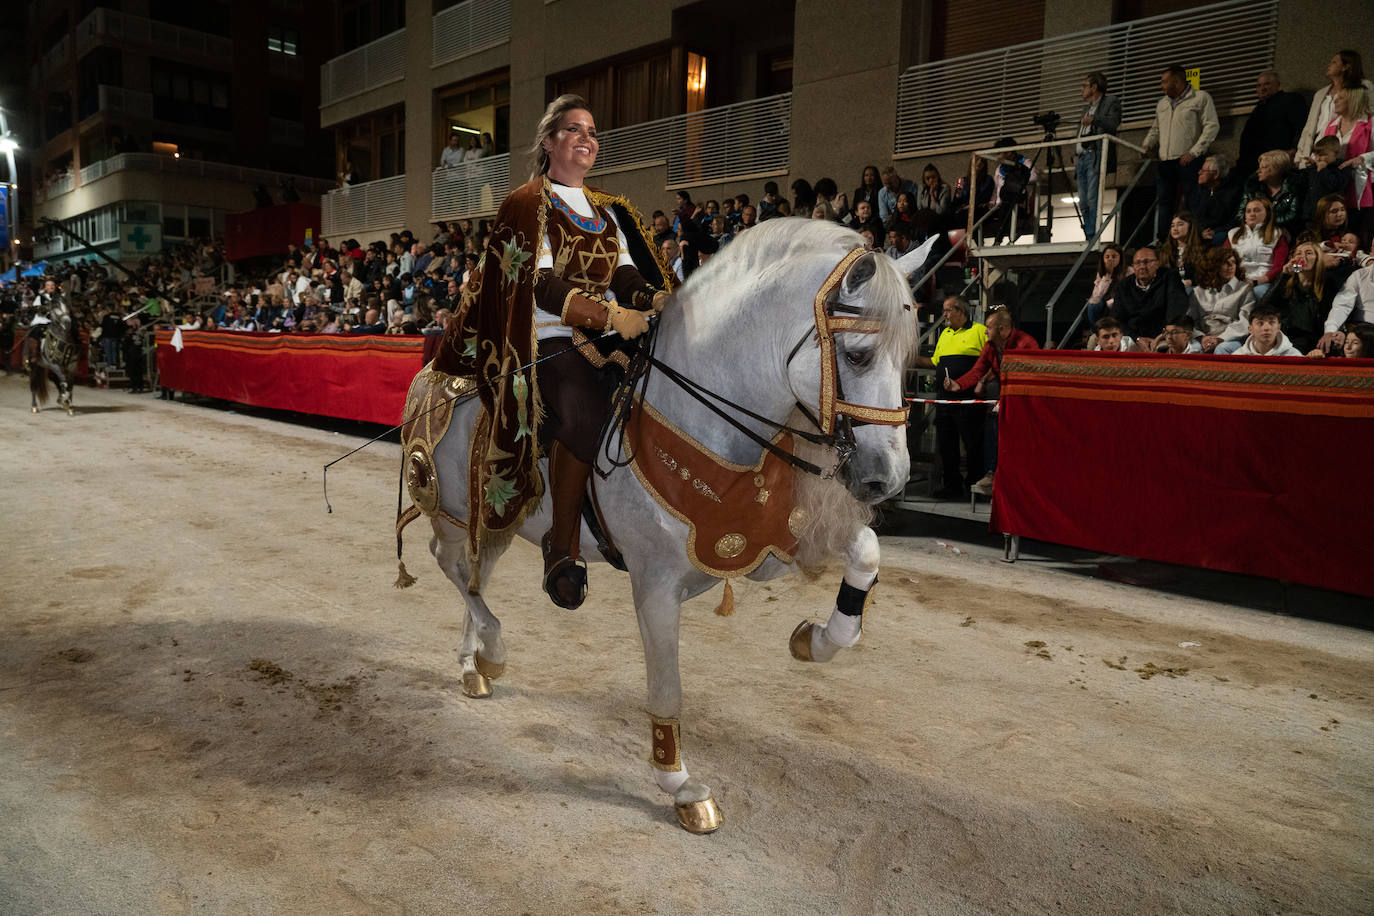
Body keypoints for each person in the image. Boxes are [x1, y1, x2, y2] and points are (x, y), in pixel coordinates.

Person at [432, 94, 672, 610]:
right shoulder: (527, 202)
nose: (587, 137)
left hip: (602, 339)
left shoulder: (606, 212)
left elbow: (623, 274)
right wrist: (610, 316)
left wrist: (652, 298)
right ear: (549, 142)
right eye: (574, 129)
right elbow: (539, 284)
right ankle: (561, 547)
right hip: (542, 338)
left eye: (591, 130)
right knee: (584, 412)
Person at [941, 306, 1038, 496]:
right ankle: (992, 473)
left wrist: (1008, 399)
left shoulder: (1026, 343)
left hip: (1024, 400)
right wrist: (957, 385)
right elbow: (978, 370)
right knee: (992, 426)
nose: (985, 331)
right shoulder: (990, 346)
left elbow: (1031, 376)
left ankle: (1010, 476)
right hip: (1003, 397)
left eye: (988, 327)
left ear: (1001, 329)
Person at [913, 296, 987, 499]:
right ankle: (952, 486)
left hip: (969, 400)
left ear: (961, 310)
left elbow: (988, 361)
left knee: (973, 444)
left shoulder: (979, 331)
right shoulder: (944, 333)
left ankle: (975, 487)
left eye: (947, 310)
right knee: (947, 446)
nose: (944, 314)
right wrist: (912, 357)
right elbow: (936, 362)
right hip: (944, 400)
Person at [1142, 65, 1220, 242]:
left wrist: (1194, 152)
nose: (1161, 86)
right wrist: (1146, 145)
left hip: (1189, 160)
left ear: (1176, 82)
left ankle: (1195, 237)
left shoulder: (1200, 98)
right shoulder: (1162, 103)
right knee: (1164, 203)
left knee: (1194, 200)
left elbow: (1211, 126)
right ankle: (1164, 240)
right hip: (1165, 161)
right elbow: (1156, 128)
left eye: (1164, 82)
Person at [1297, 50, 1374, 168]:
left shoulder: (1363, 87)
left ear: (1346, 66)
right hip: (1320, 145)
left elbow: (1367, 114)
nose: (1329, 65)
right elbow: (1310, 125)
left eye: (1334, 62)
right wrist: (1300, 153)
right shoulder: (1321, 93)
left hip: (1347, 141)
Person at [1323, 87, 1374, 244]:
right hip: (1337, 185)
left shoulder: (1369, 123)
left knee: (1360, 231)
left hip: (1360, 184)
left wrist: (1361, 158)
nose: (1335, 101)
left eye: (1341, 98)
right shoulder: (1332, 124)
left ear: (1353, 100)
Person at [1074, 71, 1122, 239]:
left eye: (1084, 86)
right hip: (1081, 157)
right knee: (1083, 202)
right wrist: (1075, 152)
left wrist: (1094, 119)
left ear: (1094, 87)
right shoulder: (1085, 108)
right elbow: (1080, 132)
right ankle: (1089, 235)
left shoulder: (1111, 101)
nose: (1082, 89)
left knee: (1092, 199)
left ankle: (1093, 236)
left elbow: (1113, 123)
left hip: (1095, 155)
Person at [1112, 245, 1187, 348]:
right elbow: (1117, 319)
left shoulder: (1170, 277)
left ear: (1157, 264)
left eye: (1147, 262)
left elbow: (1176, 311)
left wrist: (1163, 335)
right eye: (1138, 263)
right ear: (1133, 266)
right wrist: (1137, 338)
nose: (1142, 266)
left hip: (1163, 335)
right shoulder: (1124, 285)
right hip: (1133, 337)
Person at [1237, 71, 1307, 178]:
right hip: (1254, 167)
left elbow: (1302, 127)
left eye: (1267, 84)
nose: (1262, 88)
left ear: (1277, 85)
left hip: (1280, 164)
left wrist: (1294, 149)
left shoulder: (1290, 100)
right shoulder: (1258, 109)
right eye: (1259, 85)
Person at [1191, 247, 1258, 353]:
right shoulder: (1198, 291)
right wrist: (1202, 338)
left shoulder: (1244, 289)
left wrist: (1219, 339)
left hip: (1231, 338)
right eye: (1225, 263)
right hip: (1203, 337)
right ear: (1214, 265)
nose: (1231, 266)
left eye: (1233, 262)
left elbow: (1245, 322)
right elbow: (1190, 321)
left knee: (1222, 349)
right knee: (1193, 349)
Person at [1227, 197, 1289, 298]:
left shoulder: (1277, 234)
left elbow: (1279, 266)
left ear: (1267, 214)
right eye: (1248, 211)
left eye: (1257, 210)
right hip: (1235, 280)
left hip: (1262, 283)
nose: (1252, 214)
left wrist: (1256, 282)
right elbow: (1222, 260)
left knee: (1256, 294)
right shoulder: (1233, 234)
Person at [1235, 150, 1305, 237]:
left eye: (1263, 167)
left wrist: (1265, 221)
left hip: (1284, 231)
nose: (1258, 171)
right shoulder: (1253, 188)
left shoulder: (1294, 187)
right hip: (1254, 230)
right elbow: (1241, 214)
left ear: (1278, 168)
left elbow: (1293, 215)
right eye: (1259, 167)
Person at [1185, 154, 1241, 245]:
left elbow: (1234, 221)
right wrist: (1198, 231)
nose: (1199, 172)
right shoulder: (1196, 190)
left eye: (1203, 170)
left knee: (1219, 238)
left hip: (1217, 232)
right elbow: (1188, 214)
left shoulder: (1233, 192)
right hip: (1195, 230)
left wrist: (1214, 231)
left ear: (1216, 174)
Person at [1159, 211, 1208, 291]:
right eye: (1172, 226)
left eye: (1180, 224)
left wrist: (1191, 282)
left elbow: (1206, 275)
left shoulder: (1203, 249)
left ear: (1191, 227)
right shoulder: (1166, 250)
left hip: (1195, 289)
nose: (1175, 228)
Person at [1230, 301, 1301, 355]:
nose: (1266, 328)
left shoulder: (1293, 355)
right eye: (1260, 323)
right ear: (1250, 329)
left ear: (1279, 327)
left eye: (1271, 322)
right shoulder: (1239, 356)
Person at [1083, 242, 1128, 327]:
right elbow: (1097, 296)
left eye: (1114, 257)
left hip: (1120, 303)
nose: (1110, 259)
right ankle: (1096, 330)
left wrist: (1111, 302)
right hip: (1105, 306)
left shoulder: (1128, 271)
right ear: (1103, 259)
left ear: (1120, 258)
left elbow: (1127, 293)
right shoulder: (1101, 274)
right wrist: (1108, 275)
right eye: (1107, 257)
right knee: (1093, 304)